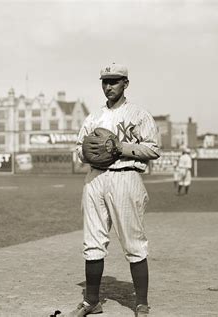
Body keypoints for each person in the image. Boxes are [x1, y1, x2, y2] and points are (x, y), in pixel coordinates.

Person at [70, 63, 160, 317]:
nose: (108, 86)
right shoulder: (93, 118)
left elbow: (153, 149)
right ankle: (91, 301)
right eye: (105, 81)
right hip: (95, 178)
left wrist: (120, 148)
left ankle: (141, 303)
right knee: (93, 241)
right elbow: (79, 150)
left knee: (134, 242)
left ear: (125, 84)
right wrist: (87, 152)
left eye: (114, 81)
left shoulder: (139, 115)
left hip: (126, 176)